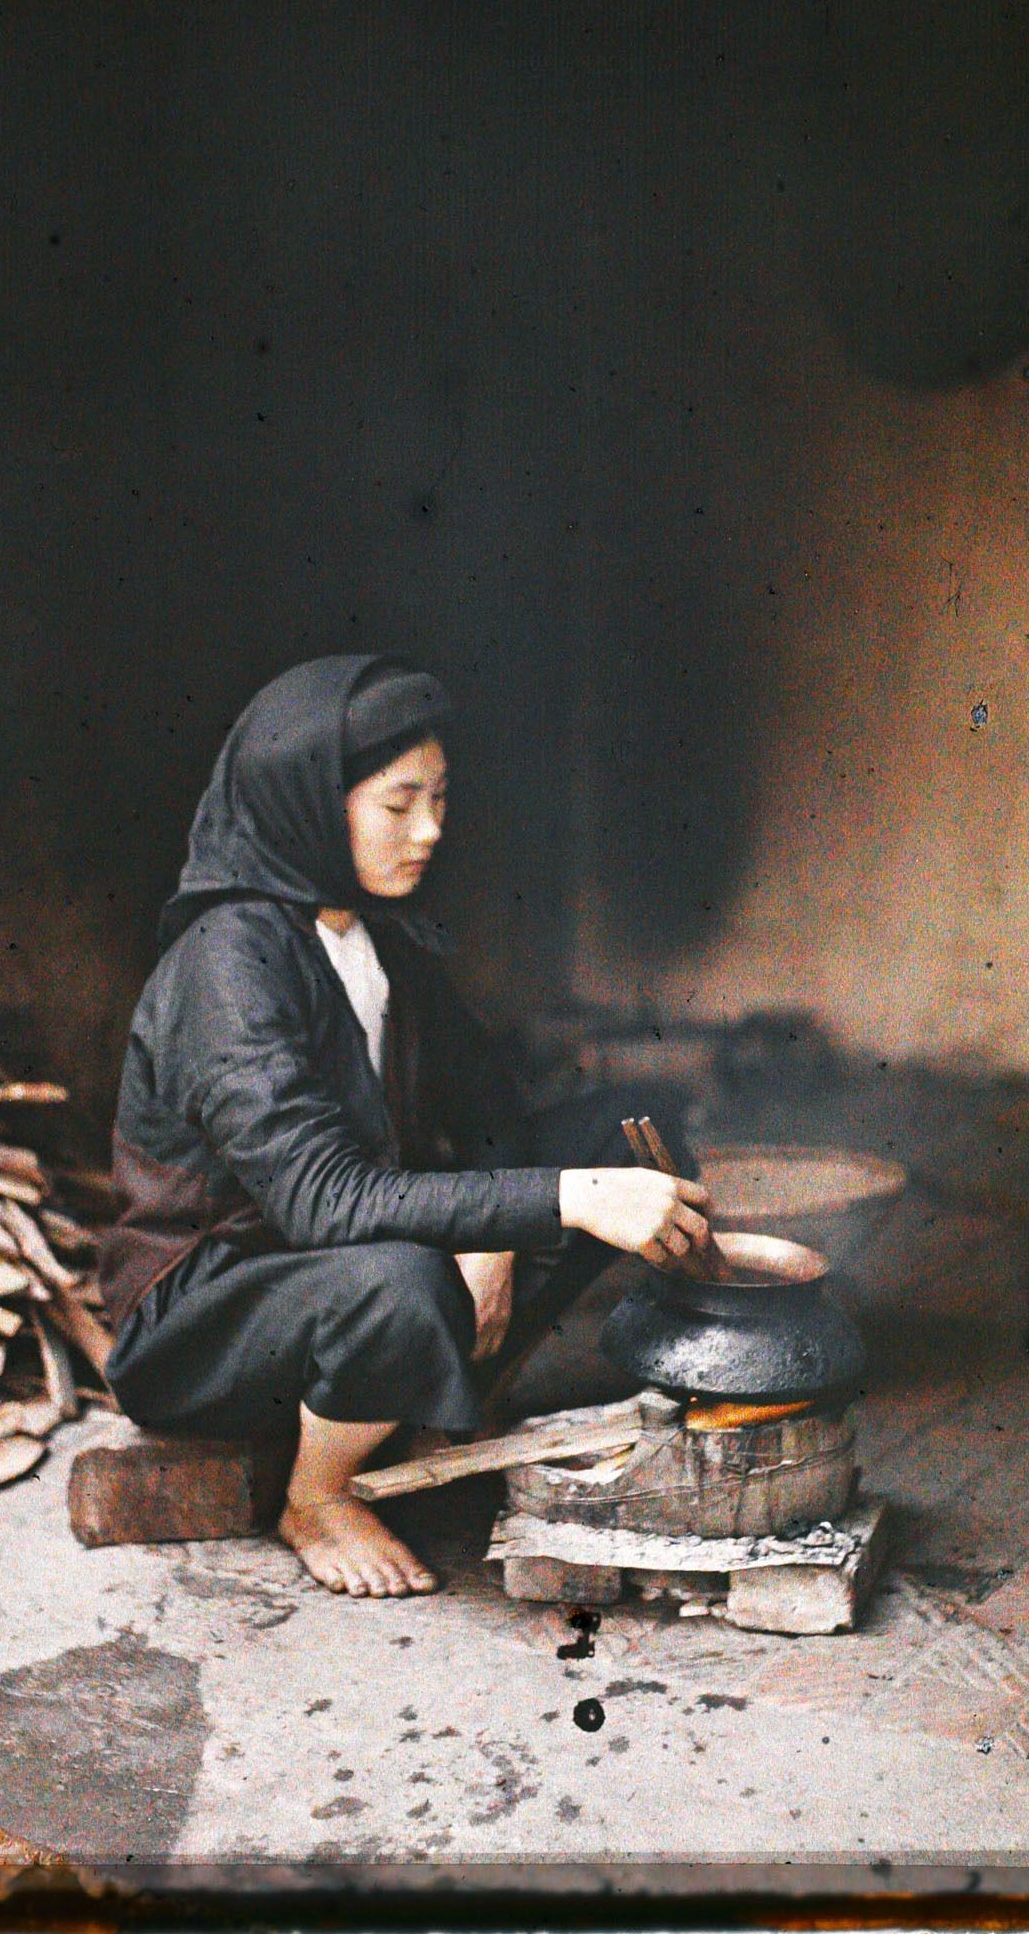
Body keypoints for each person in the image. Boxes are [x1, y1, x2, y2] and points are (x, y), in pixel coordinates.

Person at [99, 654, 715, 1599]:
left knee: (623, 1130)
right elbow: (318, 1200)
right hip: (209, 1312)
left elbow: (493, 1116)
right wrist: (548, 1206)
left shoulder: (376, 933)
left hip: (341, 1265)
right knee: (404, 1275)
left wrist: (504, 1239)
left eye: (438, 797)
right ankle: (317, 1493)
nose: (429, 831)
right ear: (308, 801)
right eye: (398, 805)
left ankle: (419, 1398)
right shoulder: (228, 963)